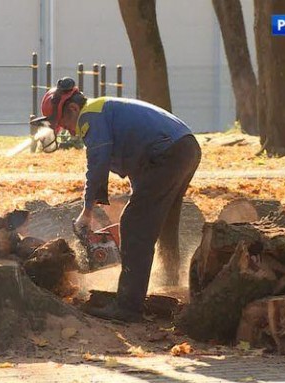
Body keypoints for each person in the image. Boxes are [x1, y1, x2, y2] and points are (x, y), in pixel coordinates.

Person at [32, 77, 201, 322]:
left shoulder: (91, 116)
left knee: (133, 223)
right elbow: (138, 159)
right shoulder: (105, 110)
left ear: (72, 109)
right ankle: (170, 280)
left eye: (64, 124)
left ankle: (128, 307)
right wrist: (138, 195)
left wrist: (87, 212)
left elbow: (97, 165)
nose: (66, 130)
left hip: (171, 152)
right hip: (184, 148)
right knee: (163, 221)